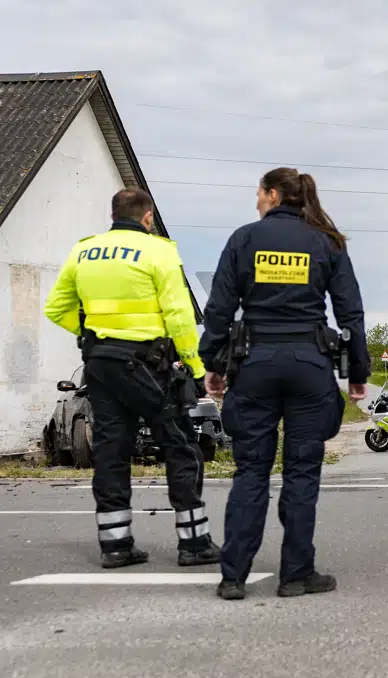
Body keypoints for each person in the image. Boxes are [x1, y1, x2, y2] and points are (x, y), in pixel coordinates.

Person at [199, 168, 369, 601]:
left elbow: (220, 307)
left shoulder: (244, 239)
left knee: (251, 471)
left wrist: (214, 364)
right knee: (301, 473)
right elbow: (350, 312)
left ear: (273, 194)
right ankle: (296, 575)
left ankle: (233, 576)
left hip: (254, 366)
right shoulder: (326, 241)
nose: (255, 201)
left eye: (258, 193)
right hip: (309, 367)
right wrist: (357, 374)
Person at [42, 189, 220, 568]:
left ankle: (116, 545)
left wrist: (91, 333)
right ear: (148, 217)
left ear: (113, 215)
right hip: (146, 364)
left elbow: (56, 308)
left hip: (100, 364)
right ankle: (194, 543)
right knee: (181, 444)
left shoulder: (84, 251)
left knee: (110, 450)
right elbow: (179, 315)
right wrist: (195, 366)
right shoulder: (159, 252)